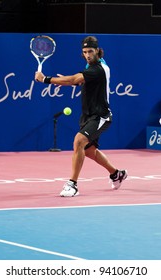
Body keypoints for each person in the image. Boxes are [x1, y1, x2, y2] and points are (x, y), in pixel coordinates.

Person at [35, 35, 127, 197]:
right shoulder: (90, 66)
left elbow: (75, 79)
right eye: (84, 52)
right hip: (87, 115)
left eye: (91, 51)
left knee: (79, 141)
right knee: (89, 151)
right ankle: (116, 174)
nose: (87, 55)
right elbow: (79, 80)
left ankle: (73, 185)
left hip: (101, 116)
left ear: (98, 51)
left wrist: (46, 79)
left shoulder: (99, 68)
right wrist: (73, 80)